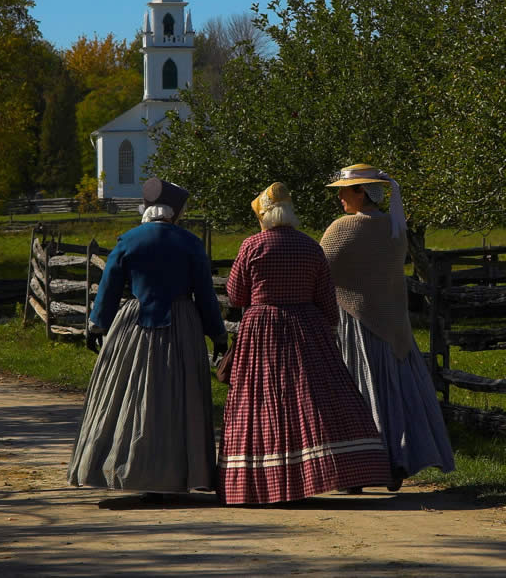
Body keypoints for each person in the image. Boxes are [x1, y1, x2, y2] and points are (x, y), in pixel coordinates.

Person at [217, 182, 390, 505]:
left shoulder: (252, 246)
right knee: (316, 396)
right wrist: (326, 330)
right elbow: (327, 300)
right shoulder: (310, 247)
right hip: (305, 325)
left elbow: (237, 294)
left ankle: (264, 480)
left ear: (264, 216)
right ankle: (343, 470)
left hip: (262, 328)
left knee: (261, 398)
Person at [68, 178, 228, 499]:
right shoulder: (190, 242)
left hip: (134, 325)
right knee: (179, 395)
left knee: (129, 394)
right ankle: (182, 472)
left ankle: (124, 467)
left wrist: (97, 326)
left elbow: (109, 291)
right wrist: (217, 333)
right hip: (182, 324)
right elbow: (206, 296)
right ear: (173, 211)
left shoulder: (128, 241)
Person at [320, 163, 455, 492]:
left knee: (358, 394)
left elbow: (320, 270)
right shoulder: (395, 228)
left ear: (361, 191)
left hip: (357, 324)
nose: (339, 197)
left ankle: (357, 470)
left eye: (344, 190)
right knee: (395, 395)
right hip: (394, 324)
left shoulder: (343, 229)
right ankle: (396, 462)